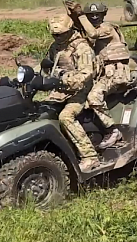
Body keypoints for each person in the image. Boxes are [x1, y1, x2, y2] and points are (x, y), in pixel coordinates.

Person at [65, 0, 132, 149]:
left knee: (93, 97)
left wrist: (81, 14)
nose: (94, 17)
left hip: (115, 73)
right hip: (102, 73)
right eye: (91, 15)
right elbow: (80, 32)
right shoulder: (90, 28)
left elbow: (92, 34)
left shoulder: (107, 28)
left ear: (103, 14)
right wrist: (74, 15)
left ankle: (112, 131)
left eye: (98, 14)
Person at [44, 14, 101, 172]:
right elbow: (49, 67)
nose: (57, 37)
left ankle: (90, 156)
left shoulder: (82, 47)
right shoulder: (55, 47)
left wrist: (64, 79)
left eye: (60, 34)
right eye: (55, 35)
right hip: (60, 90)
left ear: (69, 30)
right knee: (42, 111)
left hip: (81, 91)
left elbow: (86, 75)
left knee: (65, 117)